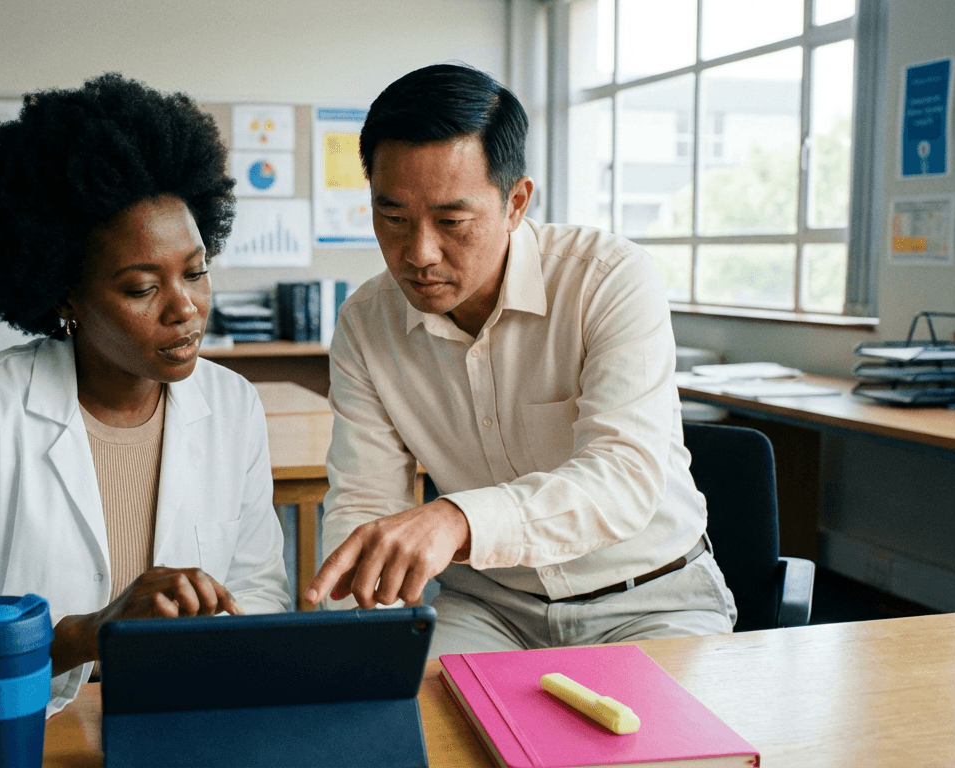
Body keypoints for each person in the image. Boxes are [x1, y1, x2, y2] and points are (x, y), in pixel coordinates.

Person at [0, 73, 291, 715]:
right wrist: (83, 636)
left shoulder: (232, 406)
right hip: (8, 725)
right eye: (143, 287)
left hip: (170, 720)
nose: (186, 309)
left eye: (197, 272)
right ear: (65, 296)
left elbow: (258, 595)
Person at [305, 64, 736, 655]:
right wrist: (348, 623)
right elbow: (365, 499)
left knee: (649, 747)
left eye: (452, 221)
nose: (419, 253)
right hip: (488, 608)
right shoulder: (365, 323)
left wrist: (457, 519)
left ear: (516, 202)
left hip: (649, 599)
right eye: (394, 218)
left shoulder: (607, 280)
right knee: (405, 730)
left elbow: (622, 478)